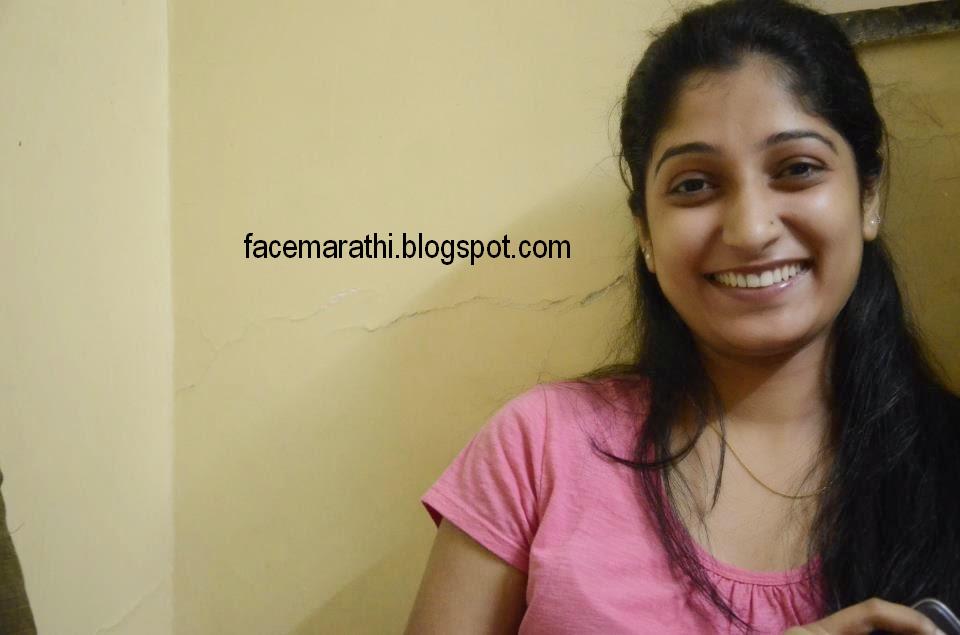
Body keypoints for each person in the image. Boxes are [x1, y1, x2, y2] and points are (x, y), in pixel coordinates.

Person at [404, 0, 960, 633]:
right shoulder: (537, 449)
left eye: (798, 170)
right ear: (645, 232)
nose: (750, 230)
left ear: (867, 196)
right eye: (695, 185)